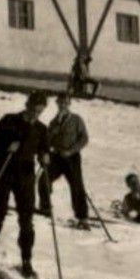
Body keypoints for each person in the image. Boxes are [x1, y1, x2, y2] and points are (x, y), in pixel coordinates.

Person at [0, 91, 50, 279]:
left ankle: (26, 261)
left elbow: (44, 149)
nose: (36, 115)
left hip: (25, 177)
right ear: (27, 105)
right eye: (34, 110)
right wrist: (6, 146)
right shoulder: (9, 120)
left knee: (27, 220)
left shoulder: (41, 129)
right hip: (3, 172)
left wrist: (45, 157)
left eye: (40, 112)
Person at [39, 94, 91, 229]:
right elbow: (47, 139)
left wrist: (72, 150)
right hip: (56, 156)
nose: (63, 105)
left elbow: (84, 139)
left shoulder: (76, 119)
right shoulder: (53, 121)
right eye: (60, 103)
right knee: (44, 179)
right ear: (57, 104)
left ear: (69, 104)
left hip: (72, 158)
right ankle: (45, 208)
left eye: (65, 103)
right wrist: (53, 132)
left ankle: (82, 217)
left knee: (77, 186)